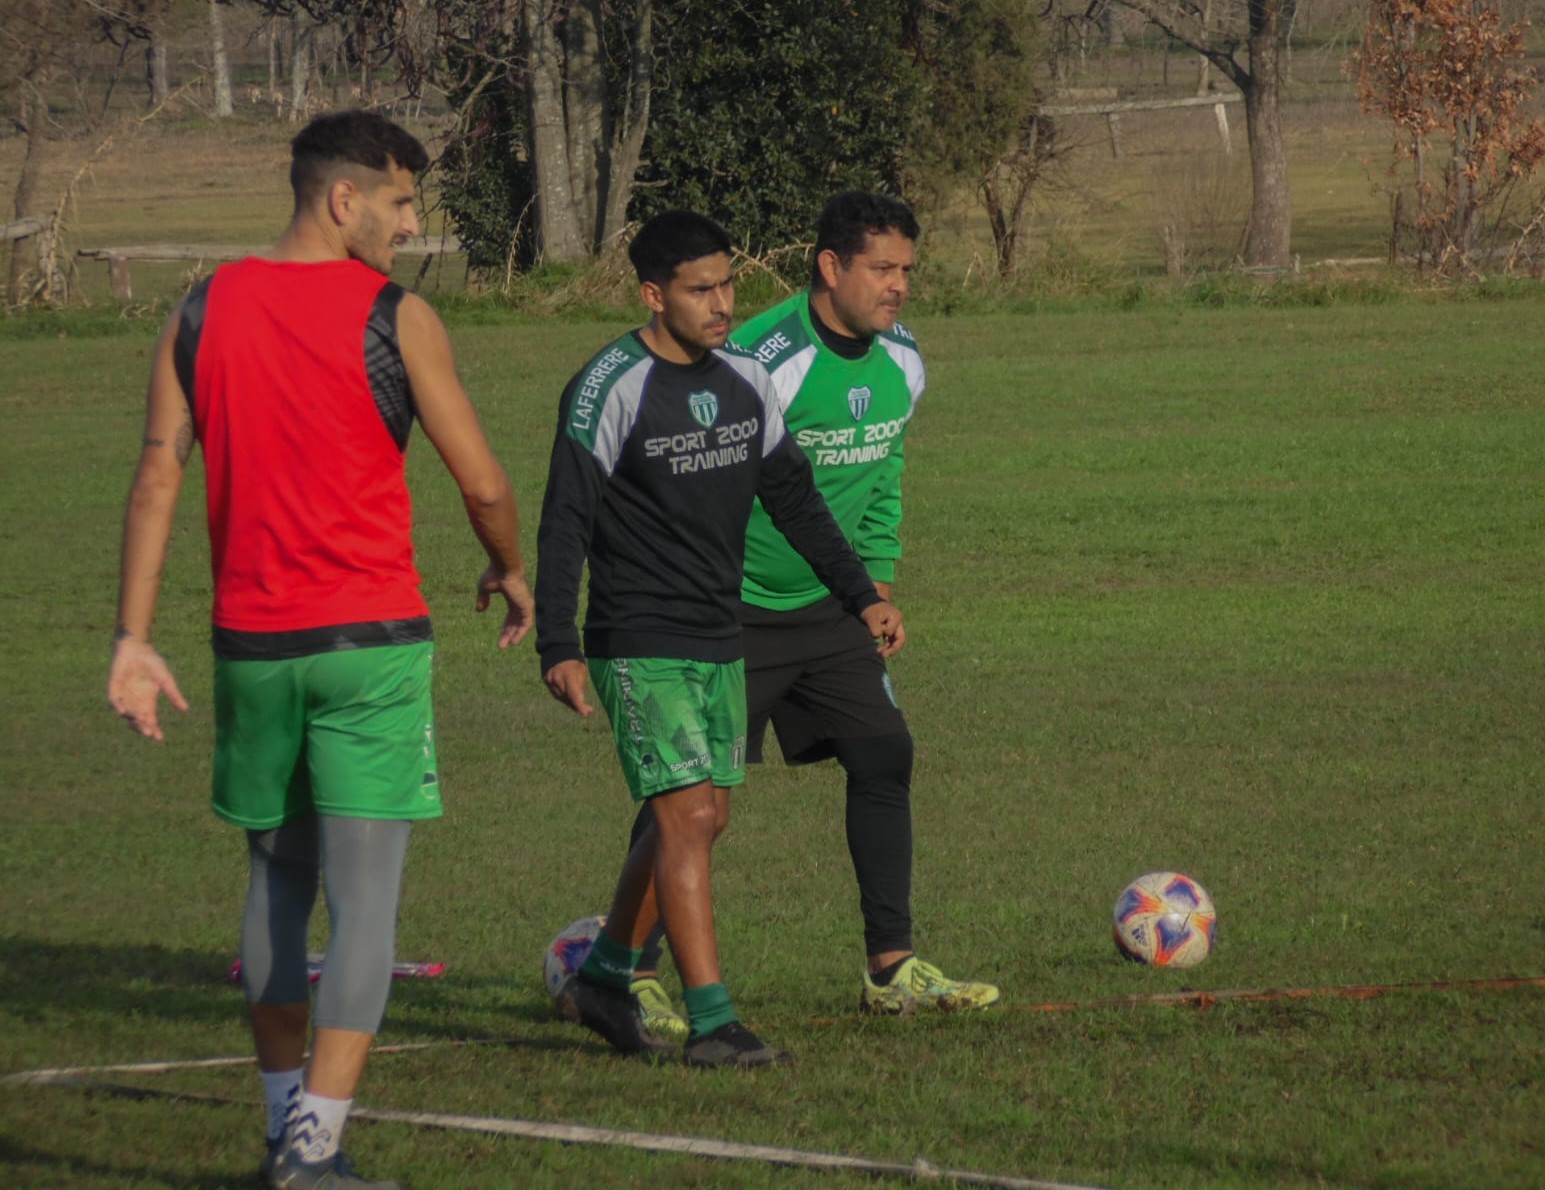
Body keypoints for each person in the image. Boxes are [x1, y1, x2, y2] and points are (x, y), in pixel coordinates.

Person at [106, 110, 532, 1190]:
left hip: (249, 648)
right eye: (399, 203)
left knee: (272, 885)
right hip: (370, 642)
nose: (409, 224)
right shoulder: (396, 314)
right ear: (343, 199)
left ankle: (278, 1123)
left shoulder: (198, 306)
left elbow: (157, 476)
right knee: (366, 898)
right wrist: (506, 563)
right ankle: (317, 1147)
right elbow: (482, 480)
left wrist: (131, 637)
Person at [622, 193, 998, 1040]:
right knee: (691, 802)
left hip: (831, 607)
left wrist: (879, 583)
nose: (900, 286)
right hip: (733, 611)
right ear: (831, 268)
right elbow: (699, 480)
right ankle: (628, 971)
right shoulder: (763, 360)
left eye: (907, 269)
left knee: (884, 752)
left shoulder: (902, 360)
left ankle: (892, 968)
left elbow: (885, 469)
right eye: (882, 269)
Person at [535, 209, 904, 1068]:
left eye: (729, 285)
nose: (722, 304)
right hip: (640, 636)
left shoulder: (743, 379)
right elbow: (564, 523)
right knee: (690, 814)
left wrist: (859, 596)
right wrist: (559, 641)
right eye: (701, 291)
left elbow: (796, 498)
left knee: (704, 819)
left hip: (719, 631)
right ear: (653, 294)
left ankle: (605, 974)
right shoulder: (609, 386)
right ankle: (712, 1023)